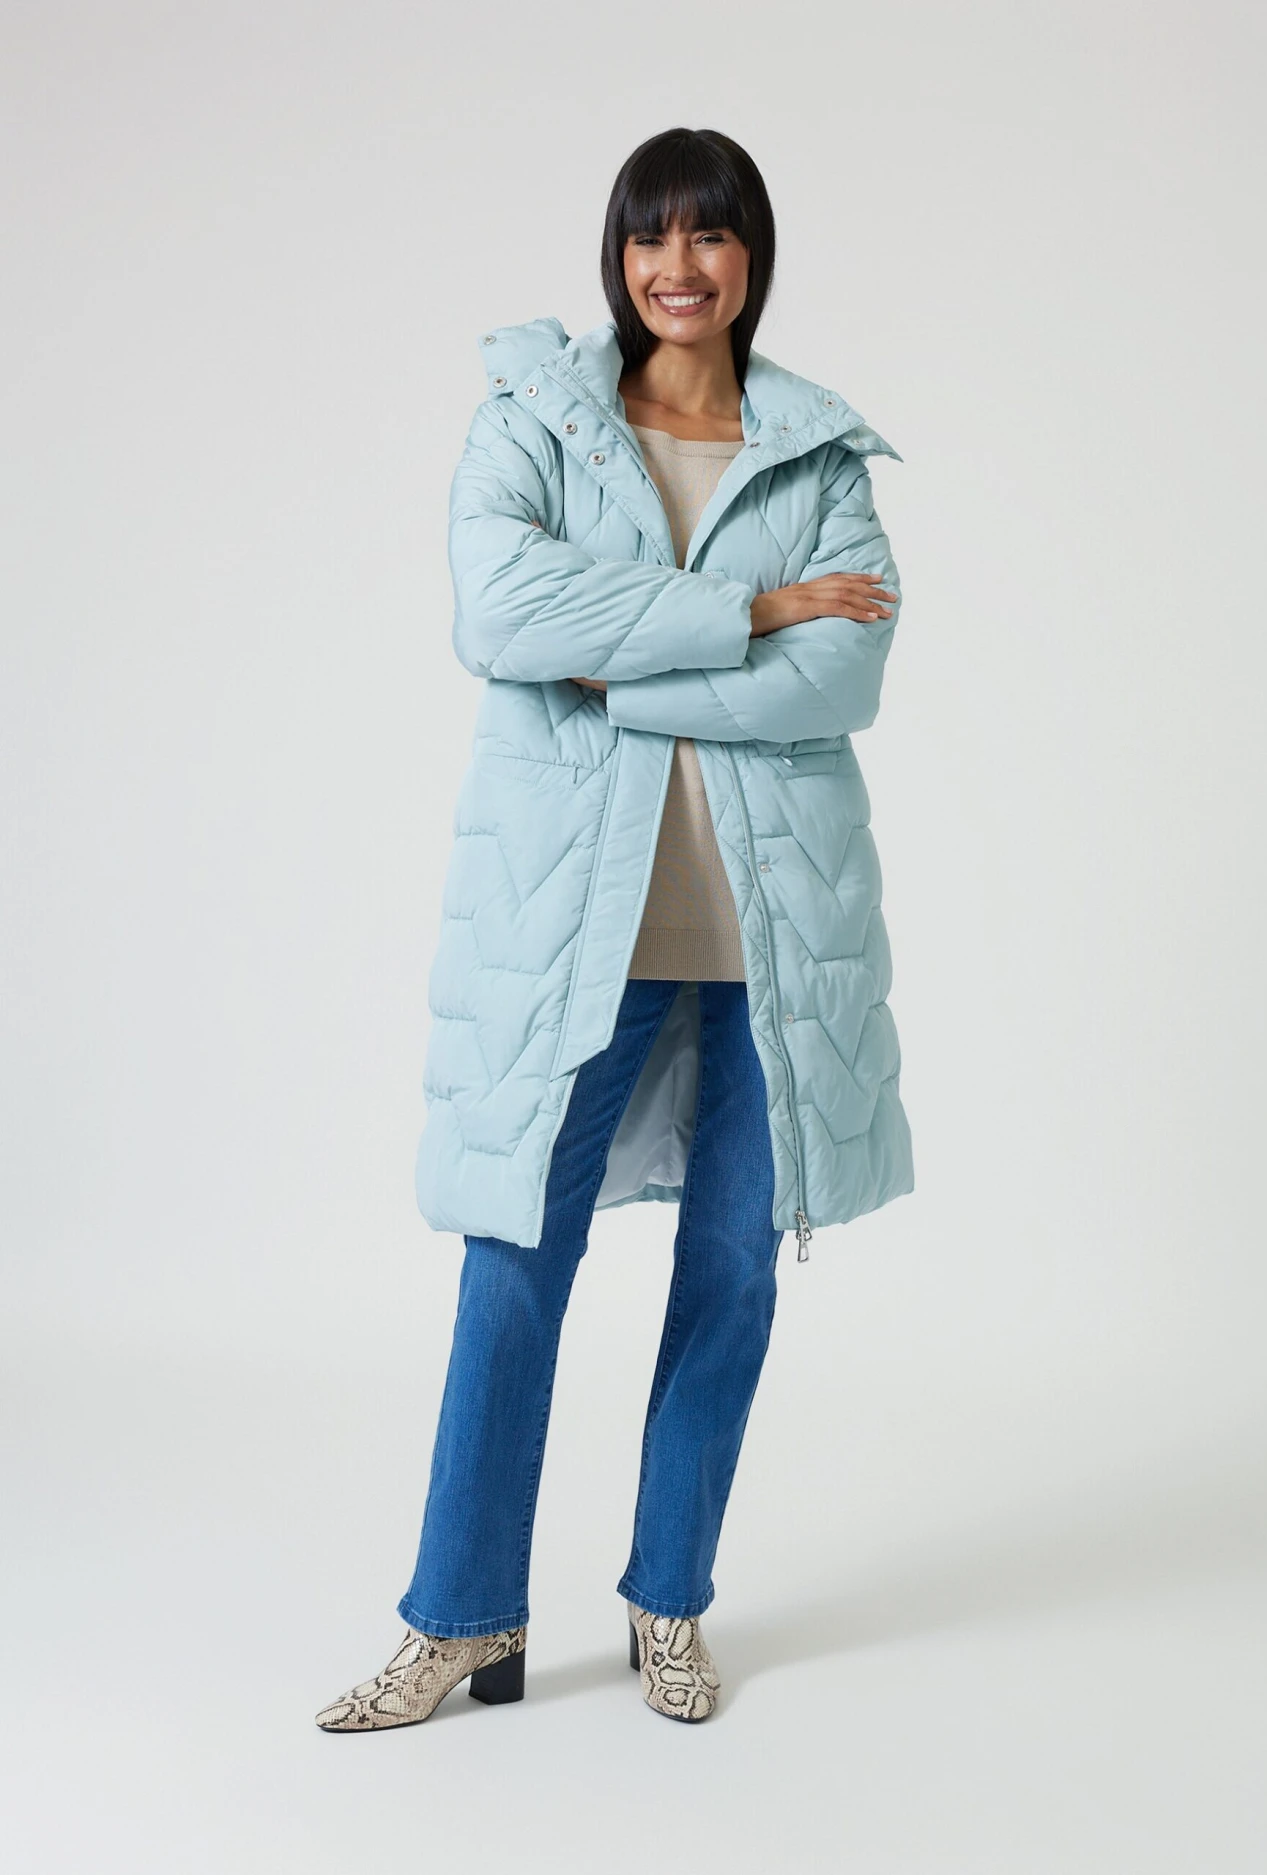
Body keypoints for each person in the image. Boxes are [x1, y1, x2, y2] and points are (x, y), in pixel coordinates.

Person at [315, 126, 914, 1733]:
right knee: (516, 1257)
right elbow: (501, 614)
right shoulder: (539, 421)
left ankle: (669, 1599)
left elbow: (845, 675)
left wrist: (623, 665)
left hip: (773, 943)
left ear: (750, 256)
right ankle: (461, 1619)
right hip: (580, 930)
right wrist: (753, 611)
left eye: (710, 236)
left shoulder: (818, 454)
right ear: (620, 253)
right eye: (654, 236)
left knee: (732, 1272)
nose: (679, 267)